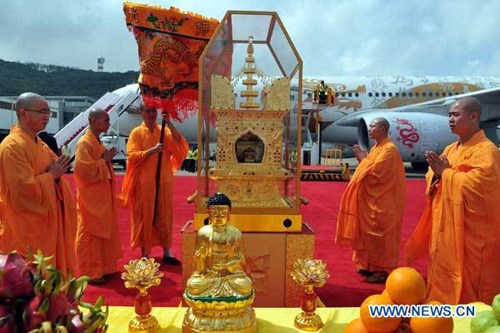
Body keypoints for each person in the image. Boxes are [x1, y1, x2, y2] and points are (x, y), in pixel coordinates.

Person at [405, 97, 500, 304]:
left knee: (472, 286)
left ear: (474, 116)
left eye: (456, 115)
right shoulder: (450, 149)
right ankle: (442, 315)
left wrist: (446, 174)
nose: (450, 119)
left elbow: (481, 189)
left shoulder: (487, 151)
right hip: (446, 229)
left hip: (472, 236)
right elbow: (432, 178)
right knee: (443, 274)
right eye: (449, 115)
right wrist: (438, 174)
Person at [0, 92, 76, 274]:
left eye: (48, 112)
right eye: (42, 112)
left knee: (48, 278)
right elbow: (21, 192)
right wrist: (51, 176)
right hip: (24, 228)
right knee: (28, 282)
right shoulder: (12, 147)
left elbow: (54, 172)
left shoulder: (40, 144)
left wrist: (56, 174)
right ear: (23, 113)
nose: (47, 117)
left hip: (46, 224)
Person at [335, 117, 406, 283]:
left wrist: (364, 160)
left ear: (382, 129)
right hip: (372, 201)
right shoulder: (377, 148)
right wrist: (364, 160)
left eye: (373, 126)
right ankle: (368, 266)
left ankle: (381, 270)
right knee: (367, 235)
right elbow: (369, 167)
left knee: (379, 236)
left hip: (384, 202)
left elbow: (376, 175)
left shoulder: (389, 149)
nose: (370, 129)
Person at [118, 103, 188, 264]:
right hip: (144, 181)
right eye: (147, 111)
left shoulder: (163, 130)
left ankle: (167, 251)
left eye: (153, 111)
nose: (151, 114)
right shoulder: (136, 132)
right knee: (145, 215)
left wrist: (169, 122)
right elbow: (132, 156)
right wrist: (153, 150)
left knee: (164, 214)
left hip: (163, 180)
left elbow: (179, 142)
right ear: (142, 113)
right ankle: (145, 252)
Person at [73, 109, 122, 284]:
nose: (108, 123)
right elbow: (84, 171)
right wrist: (104, 160)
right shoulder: (84, 143)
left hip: (101, 194)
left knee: (104, 229)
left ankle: (105, 267)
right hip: (91, 198)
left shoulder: (96, 141)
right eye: (105, 120)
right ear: (93, 120)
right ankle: (91, 272)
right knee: (90, 232)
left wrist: (105, 158)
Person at [186, 192, 253, 298]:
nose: (218, 217)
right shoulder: (203, 232)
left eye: (223, 214)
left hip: (230, 276)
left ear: (229, 214)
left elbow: (243, 261)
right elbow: (197, 266)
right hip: (209, 275)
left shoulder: (235, 233)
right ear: (209, 213)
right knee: (193, 285)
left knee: (245, 285)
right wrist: (201, 256)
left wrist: (232, 265)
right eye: (214, 213)